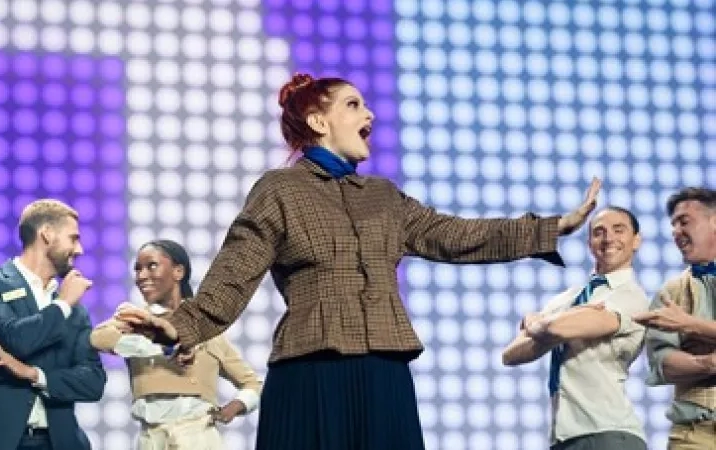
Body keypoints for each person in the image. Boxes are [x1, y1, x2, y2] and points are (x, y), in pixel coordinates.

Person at [118, 73, 602, 450]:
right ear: (318, 121)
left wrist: (550, 227)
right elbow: (234, 274)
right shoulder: (280, 189)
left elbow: (457, 235)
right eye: (353, 104)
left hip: (382, 371)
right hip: (312, 370)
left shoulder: (384, 197)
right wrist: (180, 327)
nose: (368, 113)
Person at [0, 199, 106, 450]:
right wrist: (62, 305)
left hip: (57, 441)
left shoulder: (75, 309)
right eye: (73, 238)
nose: (79, 249)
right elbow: (16, 339)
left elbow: (93, 382)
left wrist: (35, 375)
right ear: (47, 234)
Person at [89, 239, 262, 450]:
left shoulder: (205, 327)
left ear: (178, 271)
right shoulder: (135, 319)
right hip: (150, 437)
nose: (142, 276)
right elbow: (98, 338)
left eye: (151, 266)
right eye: (137, 270)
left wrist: (236, 407)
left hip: (198, 436)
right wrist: (165, 345)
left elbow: (252, 383)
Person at [502, 207, 649, 450]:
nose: (608, 238)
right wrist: (558, 325)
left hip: (608, 434)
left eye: (618, 230)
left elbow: (556, 329)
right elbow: (510, 354)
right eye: (598, 232)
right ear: (590, 243)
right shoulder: (568, 298)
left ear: (636, 241)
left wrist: (537, 323)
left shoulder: (631, 296)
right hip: (563, 438)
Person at [633, 187, 716, 450]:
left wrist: (690, 325)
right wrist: (708, 362)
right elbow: (663, 363)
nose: (675, 231)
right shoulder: (671, 293)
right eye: (673, 224)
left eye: (684, 221)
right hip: (694, 433)